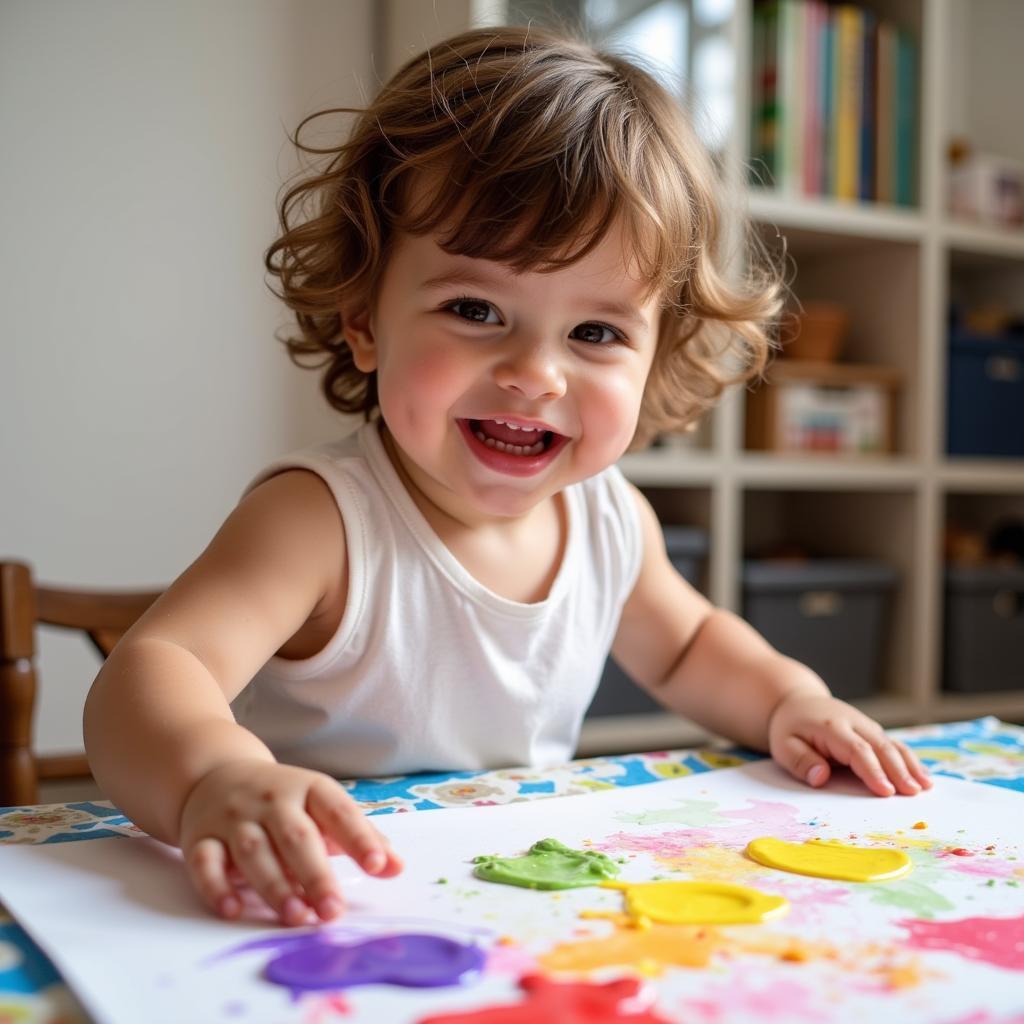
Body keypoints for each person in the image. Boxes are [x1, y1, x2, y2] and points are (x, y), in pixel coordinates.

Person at [84, 24, 930, 929]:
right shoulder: (320, 522)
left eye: (596, 333)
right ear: (366, 318)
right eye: (476, 309)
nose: (537, 373)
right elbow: (153, 673)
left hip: (504, 901)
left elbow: (690, 650)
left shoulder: (610, 520)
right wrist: (216, 776)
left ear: (658, 353)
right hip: (320, 899)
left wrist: (793, 701)